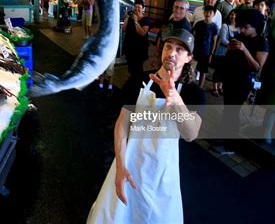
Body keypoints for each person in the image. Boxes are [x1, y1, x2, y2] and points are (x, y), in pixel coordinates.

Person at [87, 29, 205, 223]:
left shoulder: (194, 93)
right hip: (130, 165)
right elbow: (122, 125)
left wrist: (175, 99)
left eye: (179, 49)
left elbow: (190, 133)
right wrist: (120, 167)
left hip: (162, 175)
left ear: (189, 57)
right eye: (168, 46)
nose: (172, 53)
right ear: (162, 49)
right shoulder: (139, 80)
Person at [219, 9, 269, 143]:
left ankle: (229, 142)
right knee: (227, 110)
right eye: (240, 26)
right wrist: (230, 50)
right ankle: (224, 136)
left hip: (243, 81)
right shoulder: (241, 37)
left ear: (255, 26)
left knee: (233, 111)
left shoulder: (261, 42)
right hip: (231, 77)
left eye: (246, 27)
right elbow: (231, 57)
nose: (241, 30)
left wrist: (244, 50)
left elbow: (257, 67)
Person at [211, 9, 239, 97]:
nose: (233, 16)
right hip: (222, 53)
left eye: (235, 15)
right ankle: (215, 88)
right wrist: (234, 46)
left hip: (231, 55)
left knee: (225, 72)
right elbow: (223, 39)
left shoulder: (239, 27)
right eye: (231, 14)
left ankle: (220, 87)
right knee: (218, 71)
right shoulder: (225, 25)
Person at [122, 0, 151, 78]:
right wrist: (127, 18)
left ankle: (138, 81)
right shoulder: (131, 18)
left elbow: (142, 33)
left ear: (143, 9)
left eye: (139, 7)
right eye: (135, 7)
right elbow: (124, 28)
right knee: (130, 66)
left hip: (139, 48)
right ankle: (131, 80)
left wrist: (136, 21)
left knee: (138, 67)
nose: (137, 9)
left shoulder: (146, 20)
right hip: (129, 46)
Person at [193, 5, 219, 88]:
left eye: (210, 12)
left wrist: (211, 54)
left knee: (203, 71)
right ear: (204, 13)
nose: (208, 14)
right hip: (195, 50)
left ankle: (200, 87)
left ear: (214, 14)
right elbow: (193, 37)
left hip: (206, 53)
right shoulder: (198, 24)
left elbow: (214, 41)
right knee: (192, 69)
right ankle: (190, 84)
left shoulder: (215, 27)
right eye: (207, 12)